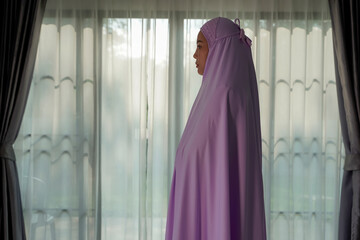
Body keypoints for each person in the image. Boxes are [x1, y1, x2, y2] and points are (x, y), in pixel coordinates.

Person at [165, 17, 267, 240]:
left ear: (220, 50)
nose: (195, 55)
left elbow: (212, 163)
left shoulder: (225, 96)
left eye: (200, 47)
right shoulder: (212, 95)